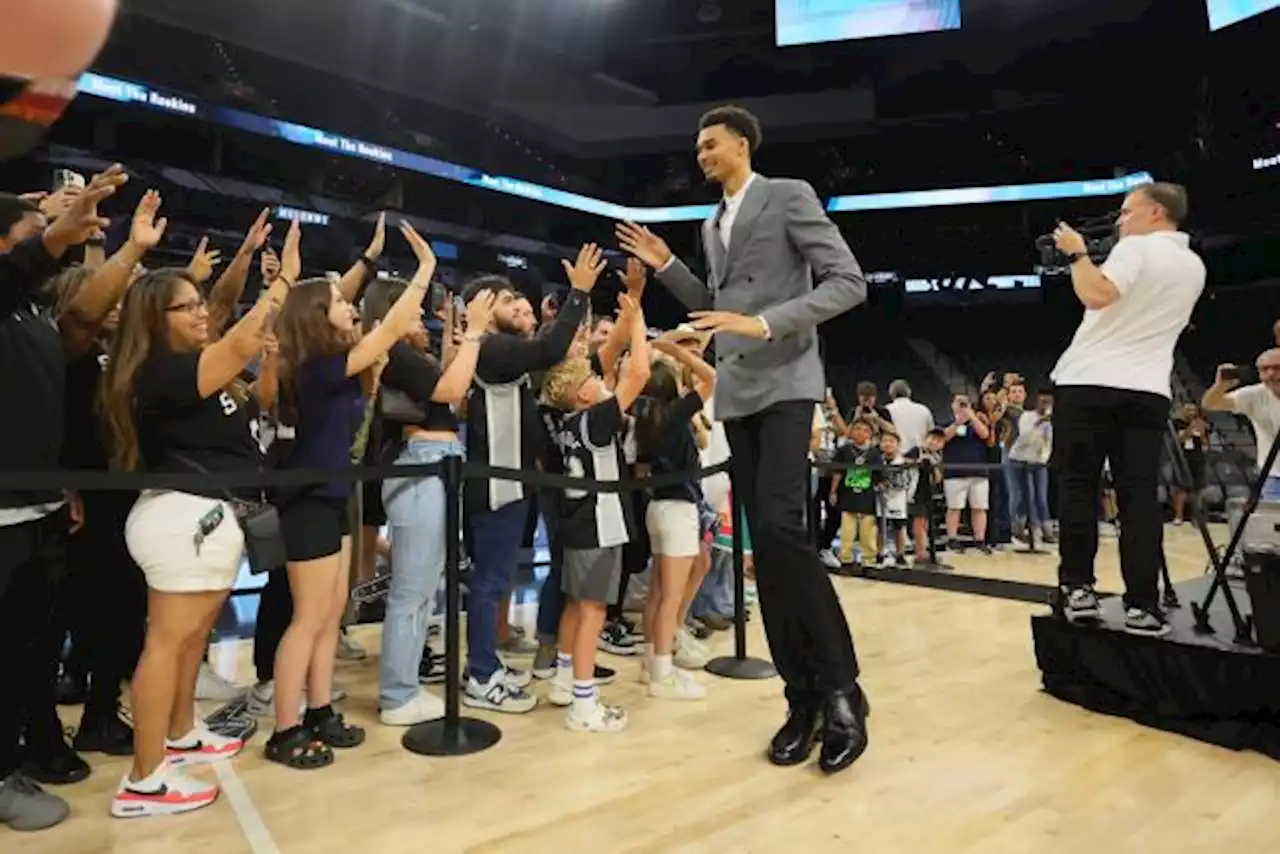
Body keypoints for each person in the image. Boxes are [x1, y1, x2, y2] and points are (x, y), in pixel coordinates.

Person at [616, 103, 869, 774]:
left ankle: (843, 690)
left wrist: (763, 324)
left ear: (740, 144)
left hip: (788, 382)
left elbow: (848, 282)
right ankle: (803, 697)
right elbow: (713, 302)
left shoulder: (788, 196)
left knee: (785, 534)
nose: (700, 155)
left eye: (709, 144)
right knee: (770, 549)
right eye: (696, 148)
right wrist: (669, 264)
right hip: (737, 395)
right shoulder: (709, 223)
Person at [100, 254, 290, 815]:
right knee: (165, 644)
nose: (201, 312)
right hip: (184, 518)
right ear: (155, 319)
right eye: (186, 307)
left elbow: (255, 392)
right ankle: (143, 780)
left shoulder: (202, 370)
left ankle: (180, 735)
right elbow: (240, 342)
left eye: (199, 302)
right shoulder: (162, 372)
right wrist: (279, 284)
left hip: (206, 518)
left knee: (189, 641)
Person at [268, 221, 435, 768]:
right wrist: (425, 271)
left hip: (330, 495)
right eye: (339, 301)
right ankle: (286, 727)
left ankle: (318, 710)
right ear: (316, 315)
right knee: (309, 616)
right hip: (309, 499)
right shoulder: (317, 366)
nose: (349, 305)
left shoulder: (333, 370)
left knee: (331, 610)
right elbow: (388, 331)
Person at [1050, 182, 1205, 636]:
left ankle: (1078, 589)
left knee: (1079, 489)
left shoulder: (1136, 249)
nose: (1121, 220)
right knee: (1138, 498)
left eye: (1126, 211)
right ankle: (1144, 604)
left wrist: (1079, 255)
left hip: (1090, 381)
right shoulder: (1194, 265)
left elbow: (1097, 294)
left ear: (1156, 213)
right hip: (1149, 389)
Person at [460, 244, 603, 714]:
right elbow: (549, 348)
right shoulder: (492, 348)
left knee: (494, 580)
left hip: (510, 481)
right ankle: (480, 676)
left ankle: (485, 664)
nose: (514, 302)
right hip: (497, 483)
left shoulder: (500, 349)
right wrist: (579, 293)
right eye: (504, 301)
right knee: (489, 582)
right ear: (481, 312)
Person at [372, 280, 494, 726]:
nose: (421, 317)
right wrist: (476, 333)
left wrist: (454, 341)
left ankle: (403, 688)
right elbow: (447, 393)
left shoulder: (408, 357)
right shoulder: (395, 354)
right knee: (411, 590)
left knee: (421, 589)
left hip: (434, 462)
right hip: (422, 465)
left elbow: (448, 397)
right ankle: (398, 695)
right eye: (414, 311)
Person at [540, 293, 650, 731]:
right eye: (594, 378)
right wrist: (637, 324)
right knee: (592, 613)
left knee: (575, 606)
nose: (602, 380)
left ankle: (565, 678)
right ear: (584, 393)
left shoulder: (569, 424)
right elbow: (639, 372)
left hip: (576, 522)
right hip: (599, 524)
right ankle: (584, 706)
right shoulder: (597, 419)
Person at [634, 334, 718, 697]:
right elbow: (711, 377)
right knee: (671, 596)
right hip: (679, 510)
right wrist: (674, 351)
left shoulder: (643, 419)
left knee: (656, 592)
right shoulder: (676, 413)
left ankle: (651, 662)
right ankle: (662, 675)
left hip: (656, 507)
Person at [1203, 351, 1280, 499]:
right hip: (1273, 475)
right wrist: (1220, 386)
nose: (1271, 373)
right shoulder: (1255, 394)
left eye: (1277, 368)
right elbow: (1210, 404)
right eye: (1264, 369)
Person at [940, 392, 992, 553]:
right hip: (955, 472)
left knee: (980, 507)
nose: (962, 407)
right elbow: (943, 439)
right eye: (959, 403)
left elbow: (985, 434)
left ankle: (980, 539)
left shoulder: (977, 422)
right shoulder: (946, 422)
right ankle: (952, 538)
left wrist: (972, 417)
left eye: (965, 403)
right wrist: (957, 423)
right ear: (952, 405)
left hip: (978, 472)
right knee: (954, 507)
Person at [831, 419, 879, 571]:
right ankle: (845, 559)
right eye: (857, 429)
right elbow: (837, 473)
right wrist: (833, 491)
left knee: (868, 531)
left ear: (870, 434)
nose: (861, 433)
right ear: (851, 431)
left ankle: (869, 560)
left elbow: (879, 475)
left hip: (867, 496)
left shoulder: (874, 453)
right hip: (847, 494)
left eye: (865, 430)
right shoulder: (844, 450)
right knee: (847, 530)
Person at [1008, 389, 1055, 544]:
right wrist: (1040, 421)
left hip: (1038, 462)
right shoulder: (1027, 416)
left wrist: (1044, 459)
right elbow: (1024, 438)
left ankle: (1046, 529)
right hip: (1019, 459)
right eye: (1042, 401)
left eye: (1048, 402)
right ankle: (1018, 528)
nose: (1045, 405)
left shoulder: (1050, 423)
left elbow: (1048, 443)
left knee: (1041, 496)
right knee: (1021, 494)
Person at [1170, 402, 1209, 523]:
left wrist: (1202, 434)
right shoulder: (1177, 424)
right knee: (1181, 489)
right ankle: (1178, 516)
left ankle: (1196, 516)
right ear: (1183, 411)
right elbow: (1179, 440)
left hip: (1197, 459)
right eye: (1188, 410)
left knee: (1198, 489)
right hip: (1182, 458)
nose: (1191, 412)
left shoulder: (1202, 424)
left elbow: (1206, 447)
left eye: (1193, 410)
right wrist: (1190, 428)